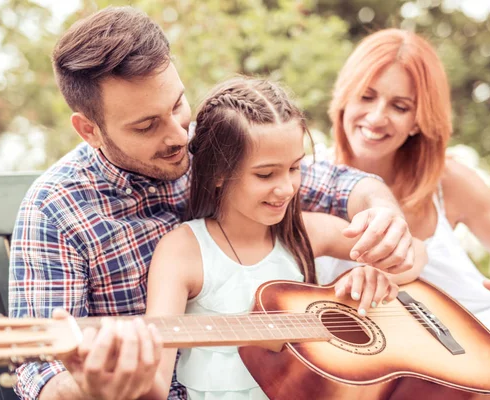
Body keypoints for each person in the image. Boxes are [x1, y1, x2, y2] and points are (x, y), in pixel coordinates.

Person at [8, 8, 417, 400]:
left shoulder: (214, 145)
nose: (179, 135)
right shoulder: (56, 210)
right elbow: (38, 368)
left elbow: (343, 186)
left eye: (176, 105)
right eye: (147, 125)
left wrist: (385, 222)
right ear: (89, 130)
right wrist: (91, 390)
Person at [145, 76, 427, 399]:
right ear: (218, 172)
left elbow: (416, 254)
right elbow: (155, 382)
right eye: (265, 174)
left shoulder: (305, 233)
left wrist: (379, 272)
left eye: (294, 168)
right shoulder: (182, 252)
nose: (287, 188)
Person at [318, 28, 490, 399]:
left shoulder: (448, 181)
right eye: (366, 96)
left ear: (418, 119)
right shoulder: (305, 185)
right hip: (396, 377)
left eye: (400, 106)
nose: (377, 117)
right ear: (344, 98)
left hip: (488, 347)